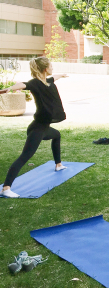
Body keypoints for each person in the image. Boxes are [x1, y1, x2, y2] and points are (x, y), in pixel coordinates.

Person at [0, 57, 68, 198]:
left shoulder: (46, 81)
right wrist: (9, 89)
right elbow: (23, 84)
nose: (52, 68)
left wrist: (61, 75)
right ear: (45, 69)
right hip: (37, 129)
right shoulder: (35, 83)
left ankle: (58, 164)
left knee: (56, 135)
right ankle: (6, 188)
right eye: (51, 66)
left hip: (44, 128)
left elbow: (54, 77)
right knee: (25, 156)